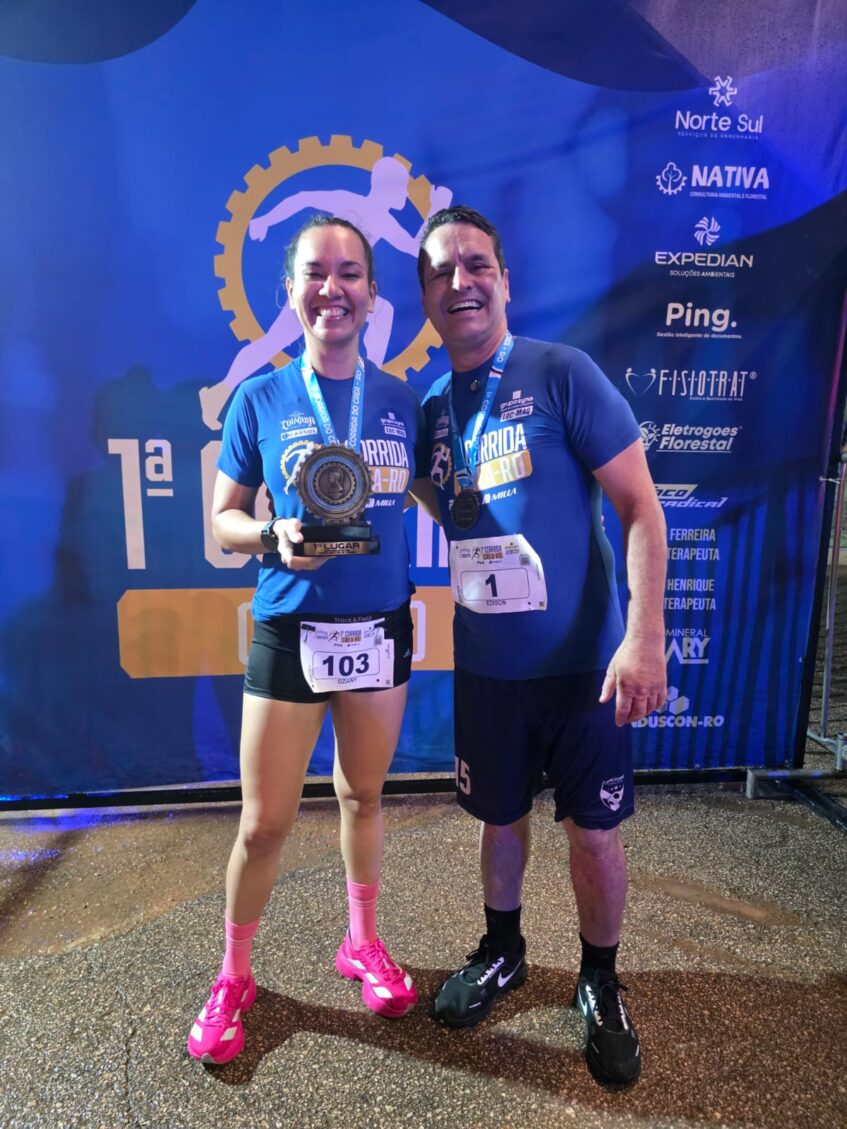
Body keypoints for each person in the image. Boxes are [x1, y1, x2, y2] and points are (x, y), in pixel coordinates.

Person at [417, 206, 667, 1088]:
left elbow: (640, 507)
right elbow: (437, 497)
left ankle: (599, 978)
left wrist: (642, 636)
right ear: (425, 297)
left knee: (593, 833)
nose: (460, 282)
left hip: (582, 667)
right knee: (499, 817)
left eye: (475, 264)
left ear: (504, 280)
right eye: (440, 271)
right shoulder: (429, 408)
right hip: (488, 667)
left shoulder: (561, 373)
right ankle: (503, 950)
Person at [188, 215, 429, 1065]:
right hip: (291, 627)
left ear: (372, 292)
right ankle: (234, 975)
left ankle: (360, 942)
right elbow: (221, 521)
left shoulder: (401, 401)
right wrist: (271, 535)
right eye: (316, 273)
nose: (334, 289)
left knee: (363, 798)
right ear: (289, 291)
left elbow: (443, 498)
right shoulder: (260, 396)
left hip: (379, 629)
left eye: (350, 273)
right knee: (264, 824)